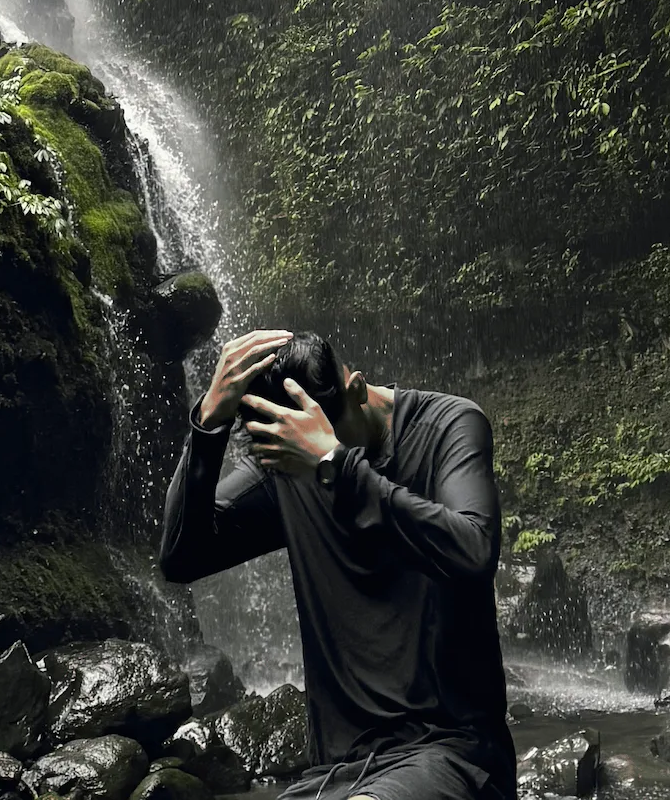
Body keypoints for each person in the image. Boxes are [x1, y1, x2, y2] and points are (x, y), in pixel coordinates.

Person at [159, 328, 516, 800]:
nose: (303, 470)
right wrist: (207, 425)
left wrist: (333, 462)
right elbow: (182, 556)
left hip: (453, 754)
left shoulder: (449, 425)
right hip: (336, 772)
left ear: (357, 388)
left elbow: (473, 551)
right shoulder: (287, 462)